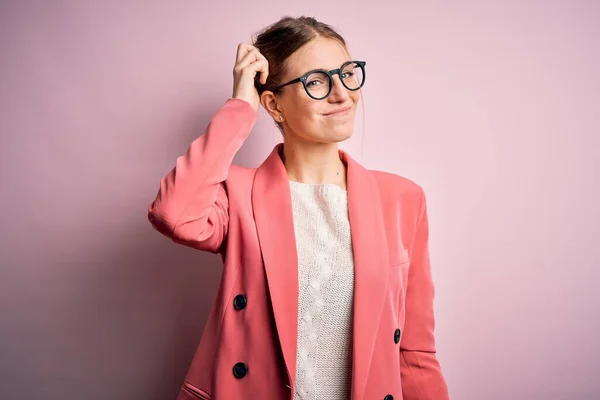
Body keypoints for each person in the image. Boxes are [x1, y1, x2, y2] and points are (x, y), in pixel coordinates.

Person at [148, 16, 449, 400]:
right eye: (317, 81)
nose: (342, 94)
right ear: (274, 105)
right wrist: (241, 106)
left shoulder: (402, 199)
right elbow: (173, 214)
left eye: (347, 74)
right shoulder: (239, 194)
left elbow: (415, 351)